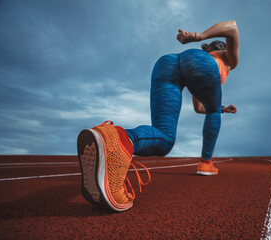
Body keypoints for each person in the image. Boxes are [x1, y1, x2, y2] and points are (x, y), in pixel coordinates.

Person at [77, 20, 240, 212]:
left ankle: (115, 138)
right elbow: (232, 27)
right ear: (223, 50)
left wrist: (222, 109)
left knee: (165, 137)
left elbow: (199, 108)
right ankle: (206, 163)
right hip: (198, 64)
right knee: (212, 112)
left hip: (167, 63)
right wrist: (196, 36)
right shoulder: (228, 61)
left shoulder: (201, 65)